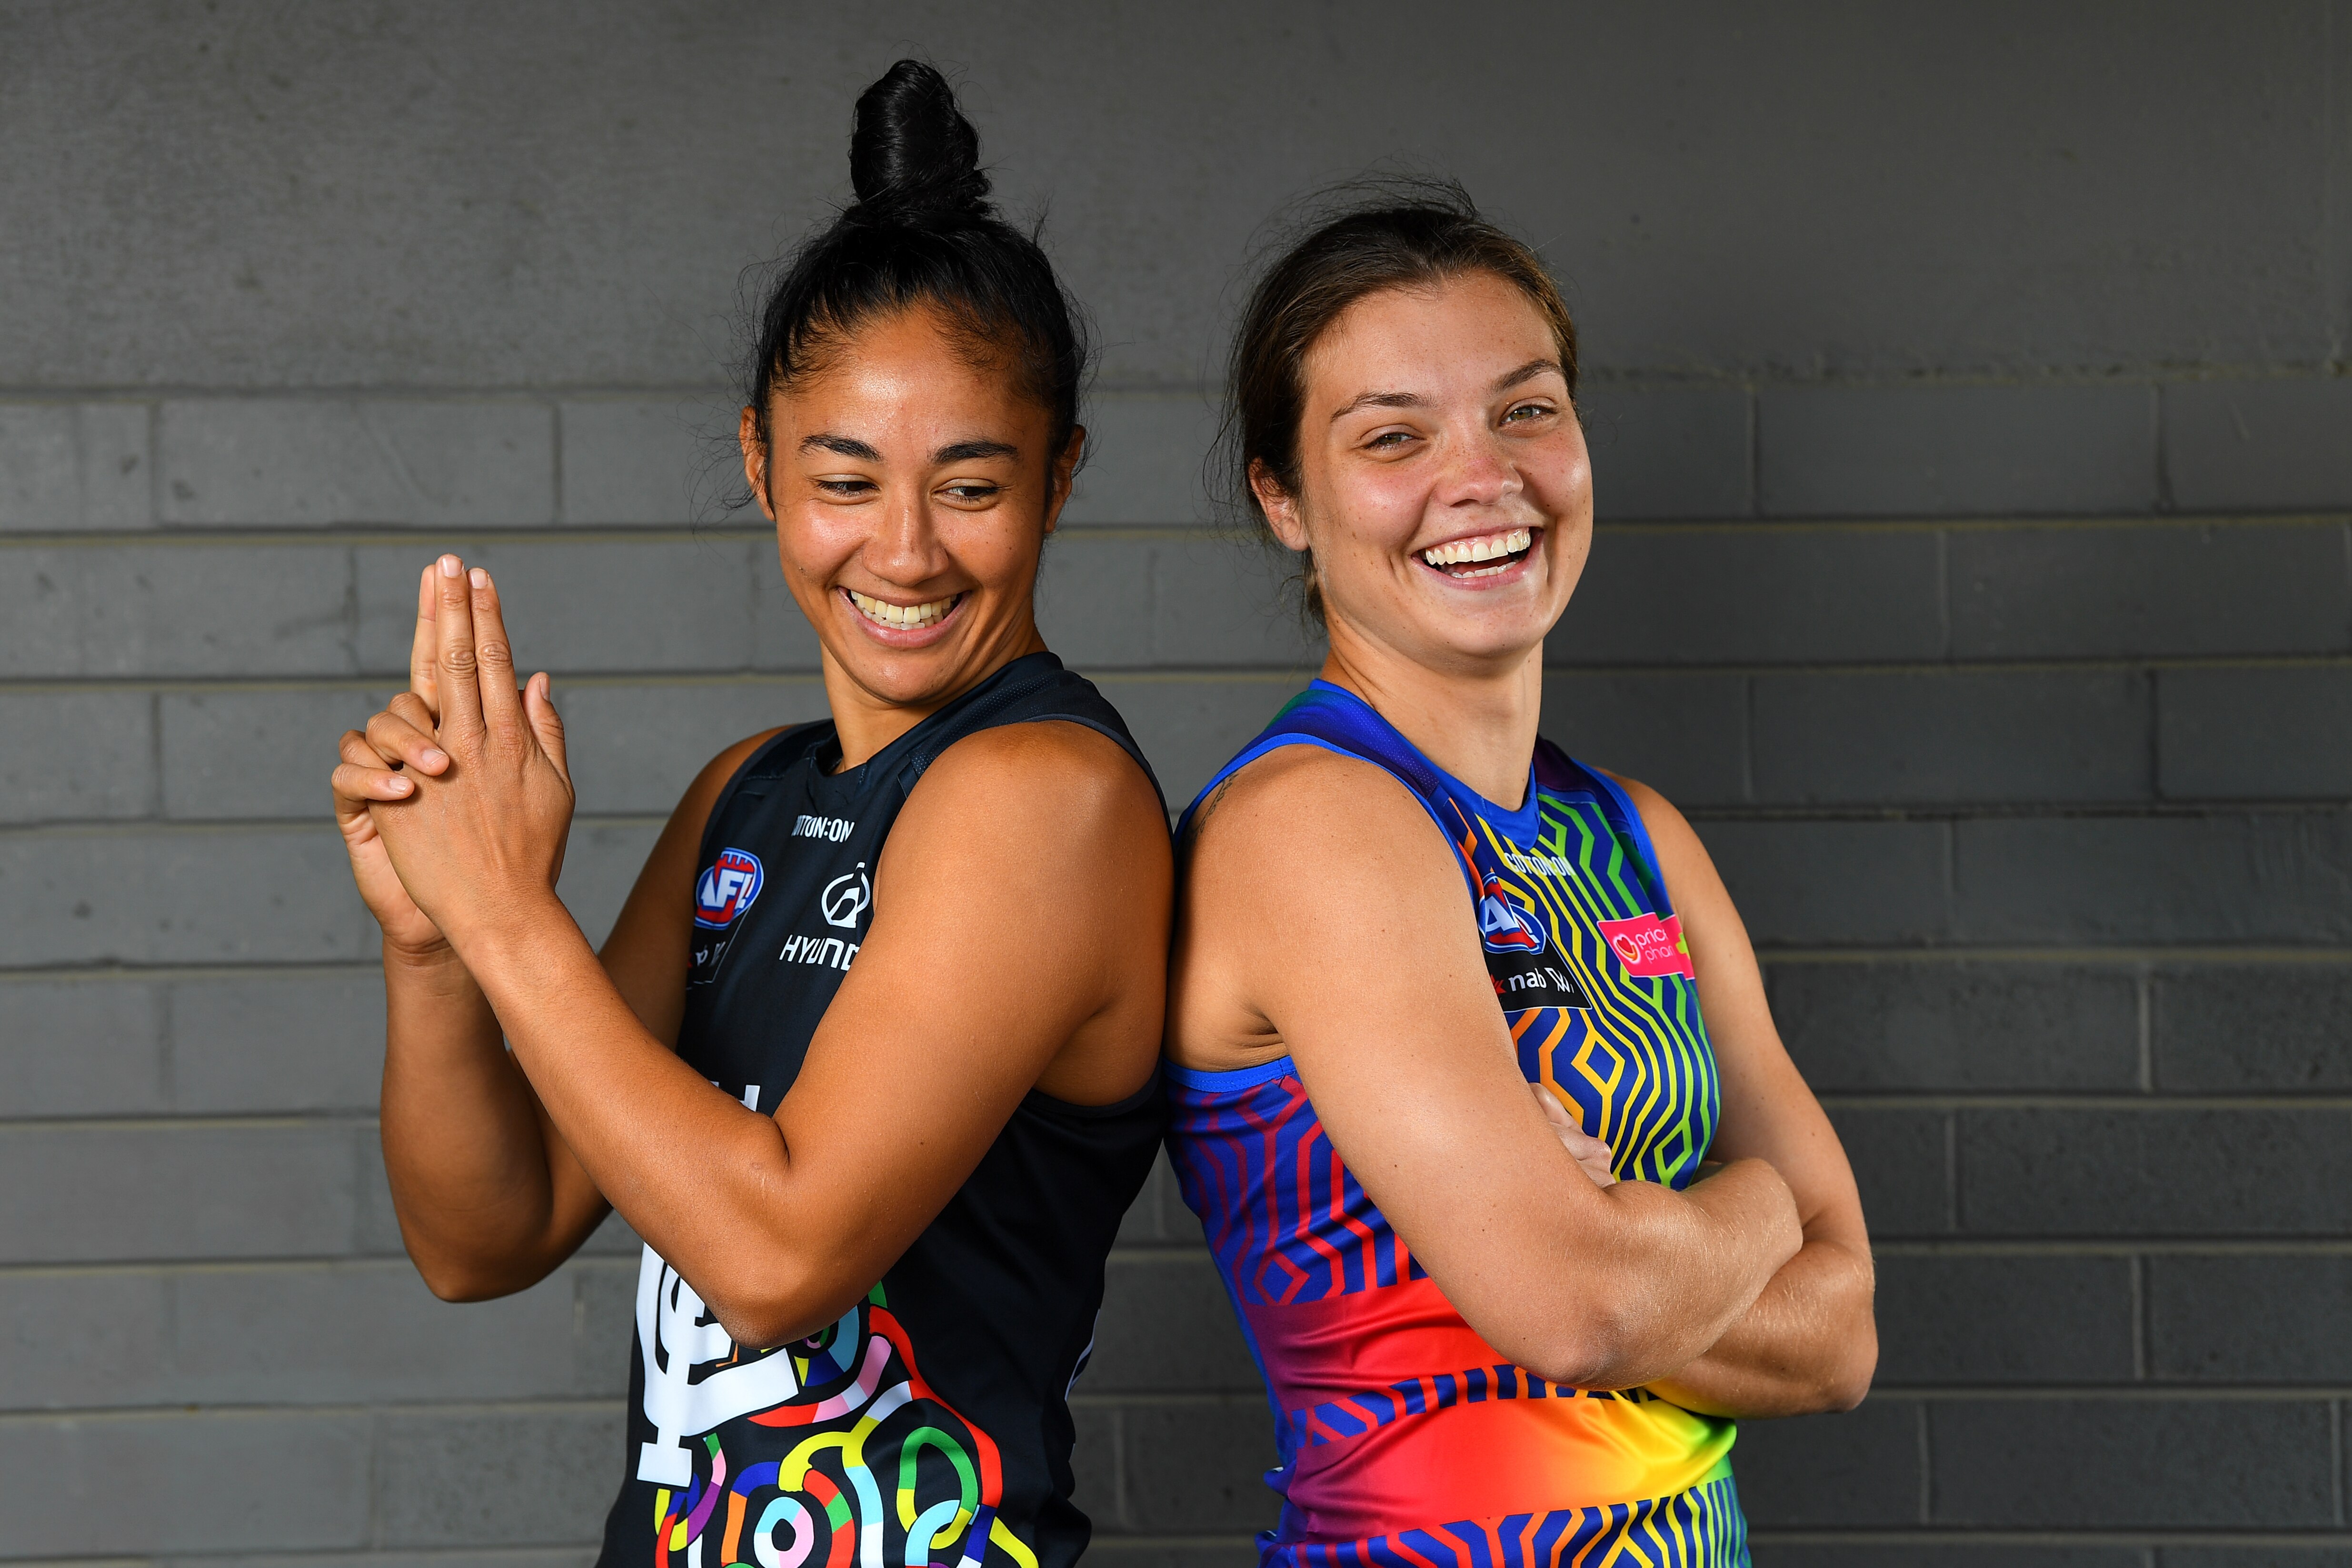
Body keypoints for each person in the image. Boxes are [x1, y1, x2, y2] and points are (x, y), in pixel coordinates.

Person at [328, 61, 1172, 1568]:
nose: (902, 553)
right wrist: (436, 943)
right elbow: (485, 1237)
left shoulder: (1051, 795)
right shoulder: (746, 794)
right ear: (758, 464)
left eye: (970, 488)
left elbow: (778, 1260)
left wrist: (508, 913)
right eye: (844, 479)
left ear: (1059, 479)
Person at [1163, 187, 1876, 1567]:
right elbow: (1577, 1312)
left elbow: (1841, 1336)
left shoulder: (1635, 836)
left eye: (1526, 411)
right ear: (1283, 499)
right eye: (1392, 437)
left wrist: (1612, 1240)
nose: (1481, 477)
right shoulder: (1311, 823)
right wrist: (1757, 1205)